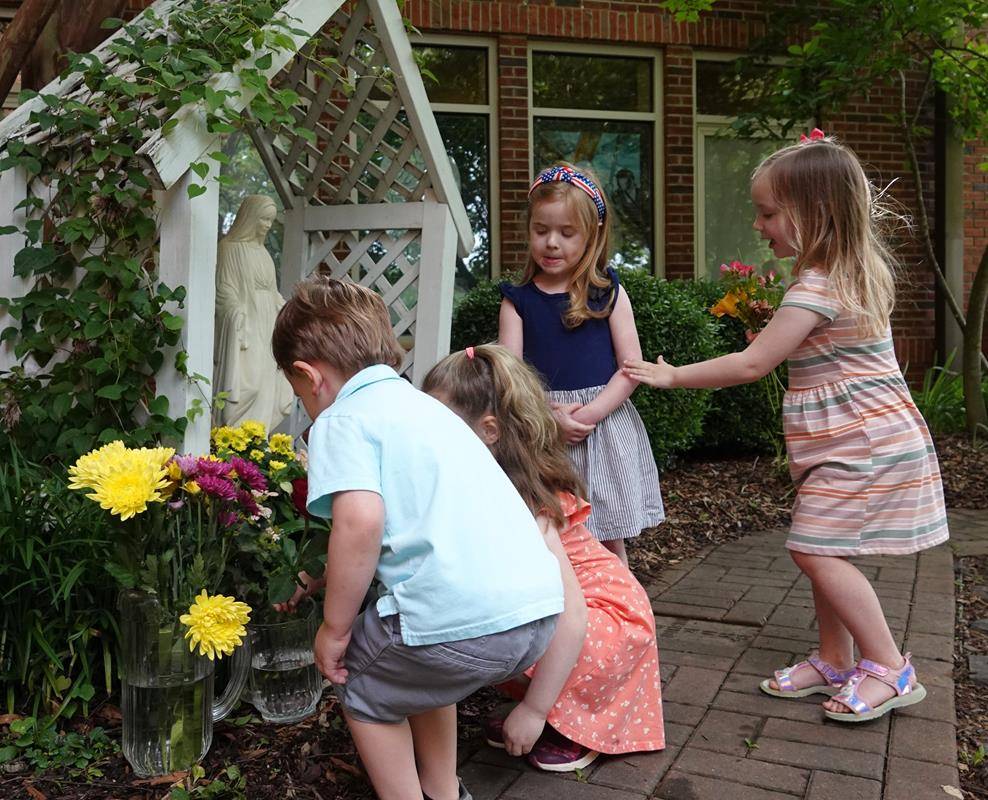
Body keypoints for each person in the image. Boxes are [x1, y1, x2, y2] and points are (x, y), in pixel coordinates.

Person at [623, 131, 948, 723]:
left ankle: (889, 665)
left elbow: (753, 364)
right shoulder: (841, 276)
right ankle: (834, 656)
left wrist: (672, 376)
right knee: (822, 542)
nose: (759, 223)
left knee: (814, 548)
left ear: (815, 213)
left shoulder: (821, 285)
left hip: (863, 443)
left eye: (769, 212)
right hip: (847, 438)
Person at [270, 277, 564, 800]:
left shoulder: (343, 419)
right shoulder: (430, 411)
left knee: (361, 683)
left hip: (461, 623)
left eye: (299, 397)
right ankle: (443, 790)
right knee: (419, 670)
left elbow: (360, 522)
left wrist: (335, 630)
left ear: (308, 376)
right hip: (537, 615)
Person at [423, 344, 664, 771]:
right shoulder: (474, 477)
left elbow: (572, 618)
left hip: (603, 619)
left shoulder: (527, 503)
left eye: (439, 422)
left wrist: (532, 711)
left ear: (489, 431)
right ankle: (553, 708)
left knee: (517, 626)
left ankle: (568, 721)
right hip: (568, 609)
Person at [499, 162, 664, 566]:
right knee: (548, 539)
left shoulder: (607, 293)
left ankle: (623, 620)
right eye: (541, 231)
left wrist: (588, 415)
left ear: (592, 236)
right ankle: (567, 624)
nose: (552, 243)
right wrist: (548, 417)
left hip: (602, 429)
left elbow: (631, 367)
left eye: (567, 233)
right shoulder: (517, 301)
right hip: (541, 432)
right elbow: (509, 374)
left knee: (608, 544)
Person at [214, 194, 295, 431]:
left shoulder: (264, 254)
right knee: (251, 383)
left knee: (268, 382)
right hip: (245, 325)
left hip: (267, 322)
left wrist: (284, 307)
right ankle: (236, 436)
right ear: (250, 219)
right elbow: (224, 289)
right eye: (263, 220)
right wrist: (235, 312)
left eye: (270, 220)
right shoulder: (228, 249)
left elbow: (271, 292)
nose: (268, 226)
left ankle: (257, 441)